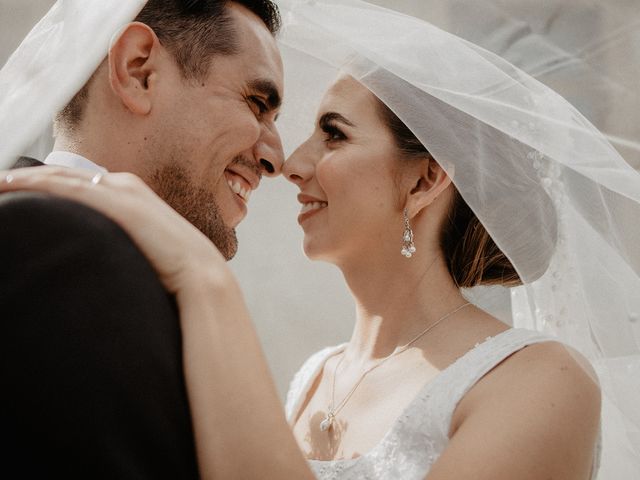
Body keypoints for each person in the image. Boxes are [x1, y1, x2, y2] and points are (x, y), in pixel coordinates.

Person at [2, 0, 639, 479]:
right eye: (260, 103)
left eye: (332, 134)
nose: (290, 163)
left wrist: (204, 277)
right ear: (137, 71)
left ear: (425, 180)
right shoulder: (313, 379)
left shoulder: (539, 378)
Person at [0, 0, 286, 477]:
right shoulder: (53, 246)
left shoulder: (128, 264)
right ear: (139, 71)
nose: (276, 157)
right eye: (257, 104)